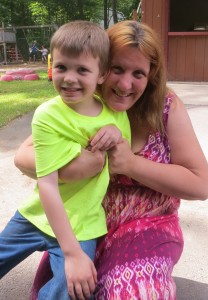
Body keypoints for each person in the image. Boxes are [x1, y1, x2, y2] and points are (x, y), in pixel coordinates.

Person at [15, 20, 208, 300]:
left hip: (147, 225)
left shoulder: (166, 108)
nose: (124, 84)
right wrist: (72, 168)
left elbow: (200, 185)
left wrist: (131, 165)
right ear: (102, 68)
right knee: (70, 292)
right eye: (117, 69)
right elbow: (24, 157)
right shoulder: (83, 100)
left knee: (128, 292)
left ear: (151, 75)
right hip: (85, 224)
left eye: (138, 73)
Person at [0, 20, 131, 300]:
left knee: (74, 289)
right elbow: (47, 185)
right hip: (36, 216)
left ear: (102, 74)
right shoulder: (48, 115)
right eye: (61, 67)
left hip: (83, 224)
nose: (69, 78)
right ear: (51, 67)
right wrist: (71, 253)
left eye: (82, 69)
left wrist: (116, 132)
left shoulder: (116, 115)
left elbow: (124, 154)